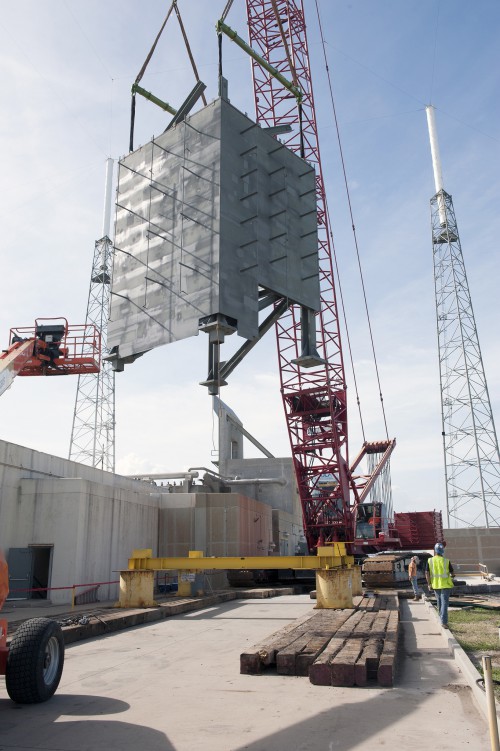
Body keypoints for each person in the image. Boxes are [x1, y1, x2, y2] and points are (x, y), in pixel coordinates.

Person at [426, 542, 454, 628]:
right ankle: (444, 622)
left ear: (435, 550)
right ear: (442, 551)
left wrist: (429, 584)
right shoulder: (446, 561)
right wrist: (452, 576)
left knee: (439, 603)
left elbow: (426, 573)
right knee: (444, 603)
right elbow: (452, 573)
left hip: (435, 585)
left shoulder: (430, 560)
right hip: (446, 585)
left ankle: (441, 619)